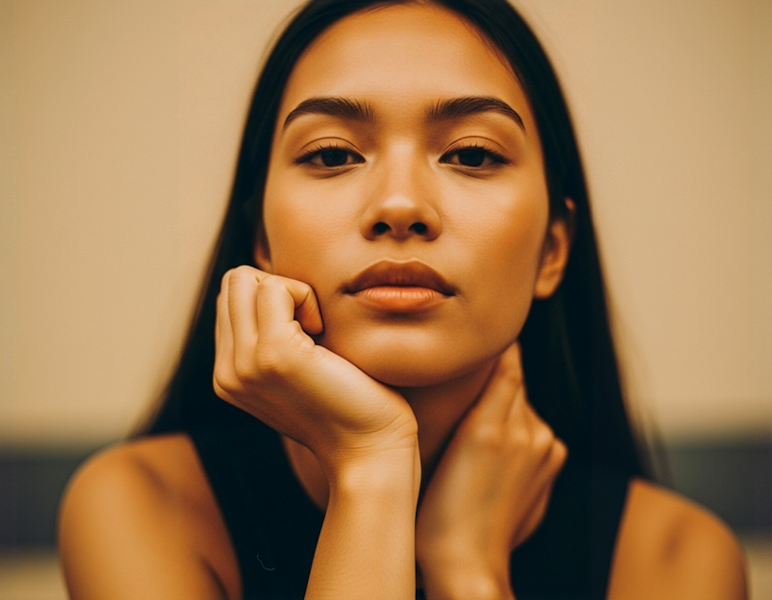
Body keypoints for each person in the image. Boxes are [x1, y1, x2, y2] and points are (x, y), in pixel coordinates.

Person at [57, 0, 748, 598]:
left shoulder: (677, 561)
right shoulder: (143, 508)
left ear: (551, 251)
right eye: (332, 154)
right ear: (261, 242)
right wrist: (371, 465)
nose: (399, 204)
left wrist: (471, 577)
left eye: (472, 154)